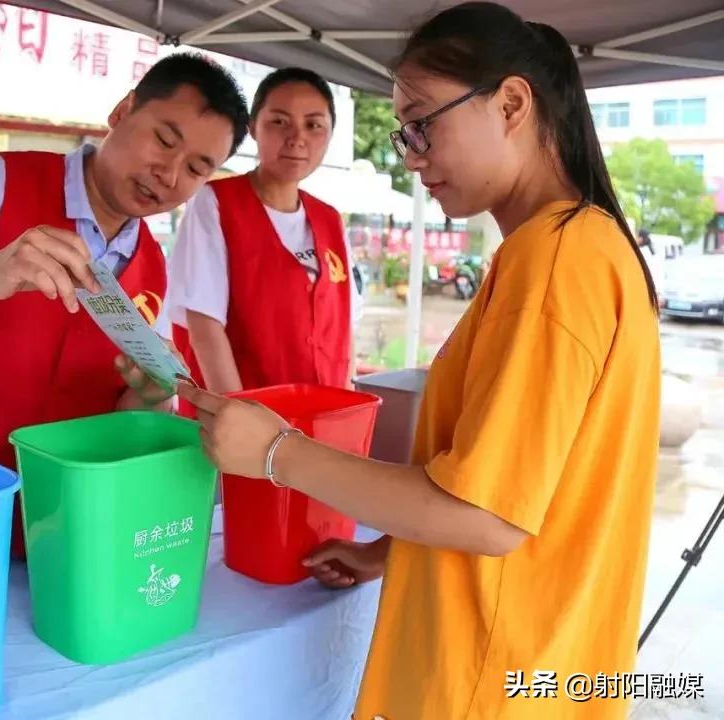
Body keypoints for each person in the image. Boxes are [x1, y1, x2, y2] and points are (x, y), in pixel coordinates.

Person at [178, 3, 661, 718]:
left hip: (489, 677)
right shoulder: (578, 249)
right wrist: (391, 553)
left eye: (424, 123)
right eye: (404, 132)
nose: (411, 153)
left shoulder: (556, 262)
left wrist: (280, 453)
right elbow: (529, 491)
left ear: (512, 104)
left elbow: (486, 514)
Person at [0, 53, 249, 555]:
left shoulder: (153, 265)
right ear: (122, 111)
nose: (168, 174)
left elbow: (125, 411)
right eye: (164, 140)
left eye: (196, 168)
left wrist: (150, 396)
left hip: (55, 527)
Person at [162, 67, 360, 410]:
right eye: (279, 122)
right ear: (253, 127)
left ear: (329, 135)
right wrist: (242, 420)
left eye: (313, 125)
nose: (297, 138)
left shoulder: (330, 220)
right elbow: (205, 327)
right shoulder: (216, 203)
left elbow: (344, 332)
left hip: (321, 424)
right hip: (244, 427)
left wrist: (348, 408)